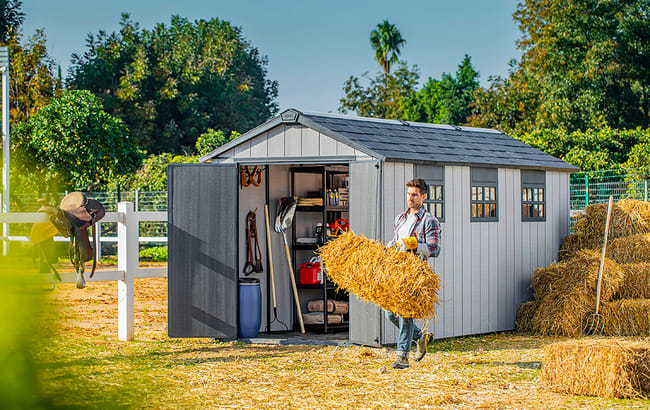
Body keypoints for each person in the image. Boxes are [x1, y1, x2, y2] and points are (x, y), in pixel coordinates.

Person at [385, 177, 441, 369]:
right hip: (397, 272)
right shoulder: (400, 218)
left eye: (415, 195)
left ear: (423, 197)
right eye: (409, 194)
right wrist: (391, 247)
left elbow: (435, 249)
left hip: (415, 272)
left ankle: (402, 357)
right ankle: (421, 337)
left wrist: (415, 245)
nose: (410, 198)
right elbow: (396, 241)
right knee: (390, 314)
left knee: (405, 313)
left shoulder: (429, 220)